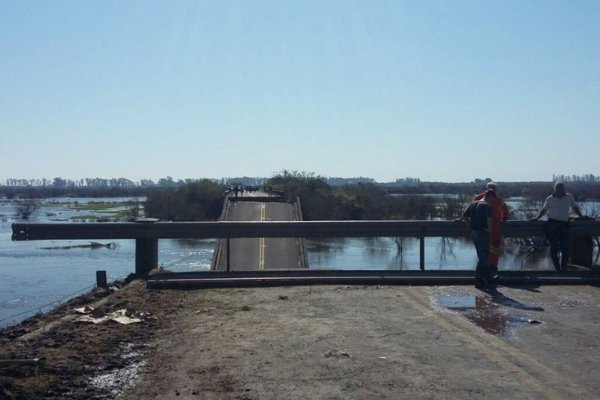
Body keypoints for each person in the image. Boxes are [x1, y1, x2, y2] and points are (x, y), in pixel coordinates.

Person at [530, 182, 583, 271]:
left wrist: (580, 216)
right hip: (552, 224)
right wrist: (537, 217)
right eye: (557, 188)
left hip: (564, 224)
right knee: (553, 248)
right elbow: (544, 209)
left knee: (565, 248)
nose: (559, 190)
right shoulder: (550, 198)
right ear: (554, 189)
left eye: (561, 188)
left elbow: (574, 207)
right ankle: (557, 269)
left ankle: (564, 269)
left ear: (564, 189)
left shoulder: (569, 197)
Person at [461, 189, 497, 290]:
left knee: (481, 256)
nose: (493, 201)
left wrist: (470, 226)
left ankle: (485, 280)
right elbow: (489, 220)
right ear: (490, 196)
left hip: (474, 232)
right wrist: (489, 231)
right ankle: (480, 281)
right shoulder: (487, 206)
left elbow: (464, 217)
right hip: (483, 233)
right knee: (484, 257)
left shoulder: (473, 204)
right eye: (493, 199)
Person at [473, 182, 509, 275]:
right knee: (491, 248)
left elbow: (504, 210)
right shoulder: (497, 199)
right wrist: (504, 218)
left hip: (487, 228)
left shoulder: (478, 198)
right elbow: (505, 210)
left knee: (487, 248)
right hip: (490, 227)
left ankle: (486, 268)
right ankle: (490, 267)